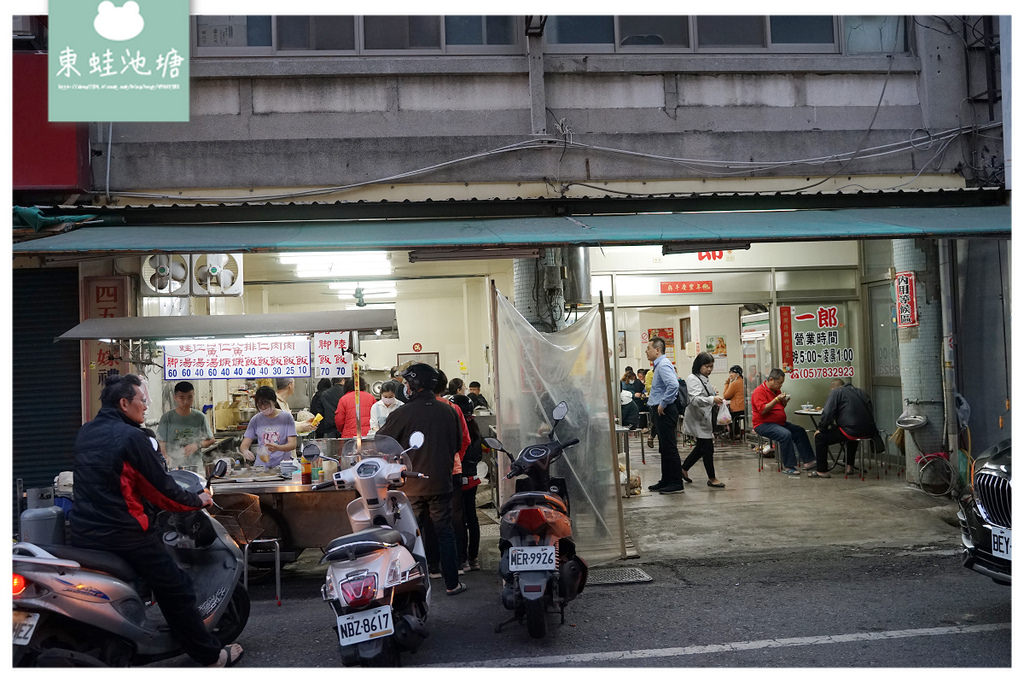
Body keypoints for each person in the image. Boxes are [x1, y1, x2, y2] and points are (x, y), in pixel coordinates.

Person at [70, 372, 242, 667]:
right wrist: (195, 500)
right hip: (124, 534)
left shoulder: (86, 431)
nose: (146, 407)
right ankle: (211, 656)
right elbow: (161, 490)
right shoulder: (132, 438)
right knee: (176, 588)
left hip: (84, 533)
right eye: (142, 401)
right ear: (124, 403)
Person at [377, 363, 467, 595]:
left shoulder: (401, 413)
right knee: (444, 532)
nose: (404, 387)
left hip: (412, 484)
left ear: (414, 386)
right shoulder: (449, 410)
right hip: (441, 482)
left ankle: (412, 586)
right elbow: (457, 444)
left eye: (407, 383)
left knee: (411, 535)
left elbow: (381, 441)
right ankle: (452, 584)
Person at [810, 379, 882, 478]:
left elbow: (827, 414)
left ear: (833, 388)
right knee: (851, 435)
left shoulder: (836, 392)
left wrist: (821, 429)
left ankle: (822, 471)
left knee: (820, 437)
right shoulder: (861, 392)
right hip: (869, 431)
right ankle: (849, 466)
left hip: (851, 431)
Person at [751, 368, 816, 476]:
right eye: (779, 383)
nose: (780, 386)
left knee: (799, 431)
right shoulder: (759, 392)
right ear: (771, 379)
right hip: (763, 424)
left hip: (779, 423)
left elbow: (779, 408)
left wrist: (784, 402)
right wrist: (776, 399)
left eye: (781, 383)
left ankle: (809, 461)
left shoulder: (776, 391)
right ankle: (789, 466)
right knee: (785, 434)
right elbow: (762, 410)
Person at [645, 336, 684, 494]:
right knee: (664, 448)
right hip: (660, 410)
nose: (646, 351)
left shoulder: (663, 365)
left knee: (669, 447)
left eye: (648, 348)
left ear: (657, 350)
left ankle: (676, 483)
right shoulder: (659, 365)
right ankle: (666, 479)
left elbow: (673, 385)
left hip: (665, 410)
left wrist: (663, 403)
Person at [681, 352, 727, 488]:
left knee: (702, 448)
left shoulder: (703, 378)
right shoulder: (692, 378)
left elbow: (705, 395)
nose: (709, 370)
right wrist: (712, 399)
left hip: (703, 419)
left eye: (711, 366)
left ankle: (683, 468)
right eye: (707, 366)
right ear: (699, 365)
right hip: (697, 418)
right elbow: (694, 400)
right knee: (707, 448)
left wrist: (713, 394)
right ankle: (712, 478)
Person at [450, 394, 482, 572]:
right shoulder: (476, 430)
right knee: (472, 518)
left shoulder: (460, 433)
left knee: (459, 519)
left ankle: (462, 559)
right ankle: (474, 558)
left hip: (459, 478)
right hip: (473, 478)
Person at [156, 381, 215, 471]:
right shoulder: (167, 418)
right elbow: (161, 442)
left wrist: (197, 445)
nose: (186, 401)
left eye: (190, 397)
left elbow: (211, 439)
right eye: (181, 398)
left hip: (196, 466)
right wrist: (165, 457)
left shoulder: (199, 417)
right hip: (174, 466)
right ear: (175, 397)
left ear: (194, 396)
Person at [240, 385, 297, 467]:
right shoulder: (255, 420)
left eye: (266, 403)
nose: (263, 407)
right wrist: (245, 451)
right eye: (260, 404)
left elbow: (293, 444)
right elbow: (244, 445)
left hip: (283, 466)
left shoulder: (286, 418)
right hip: (262, 467)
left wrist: (278, 448)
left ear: (273, 401)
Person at [722, 365, 746, 440]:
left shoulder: (735, 383)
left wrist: (727, 383)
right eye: (730, 372)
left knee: (727, 416)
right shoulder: (744, 381)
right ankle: (737, 432)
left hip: (737, 409)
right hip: (745, 408)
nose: (730, 375)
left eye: (732, 372)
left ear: (737, 374)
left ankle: (734, 433)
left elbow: (726, 396)